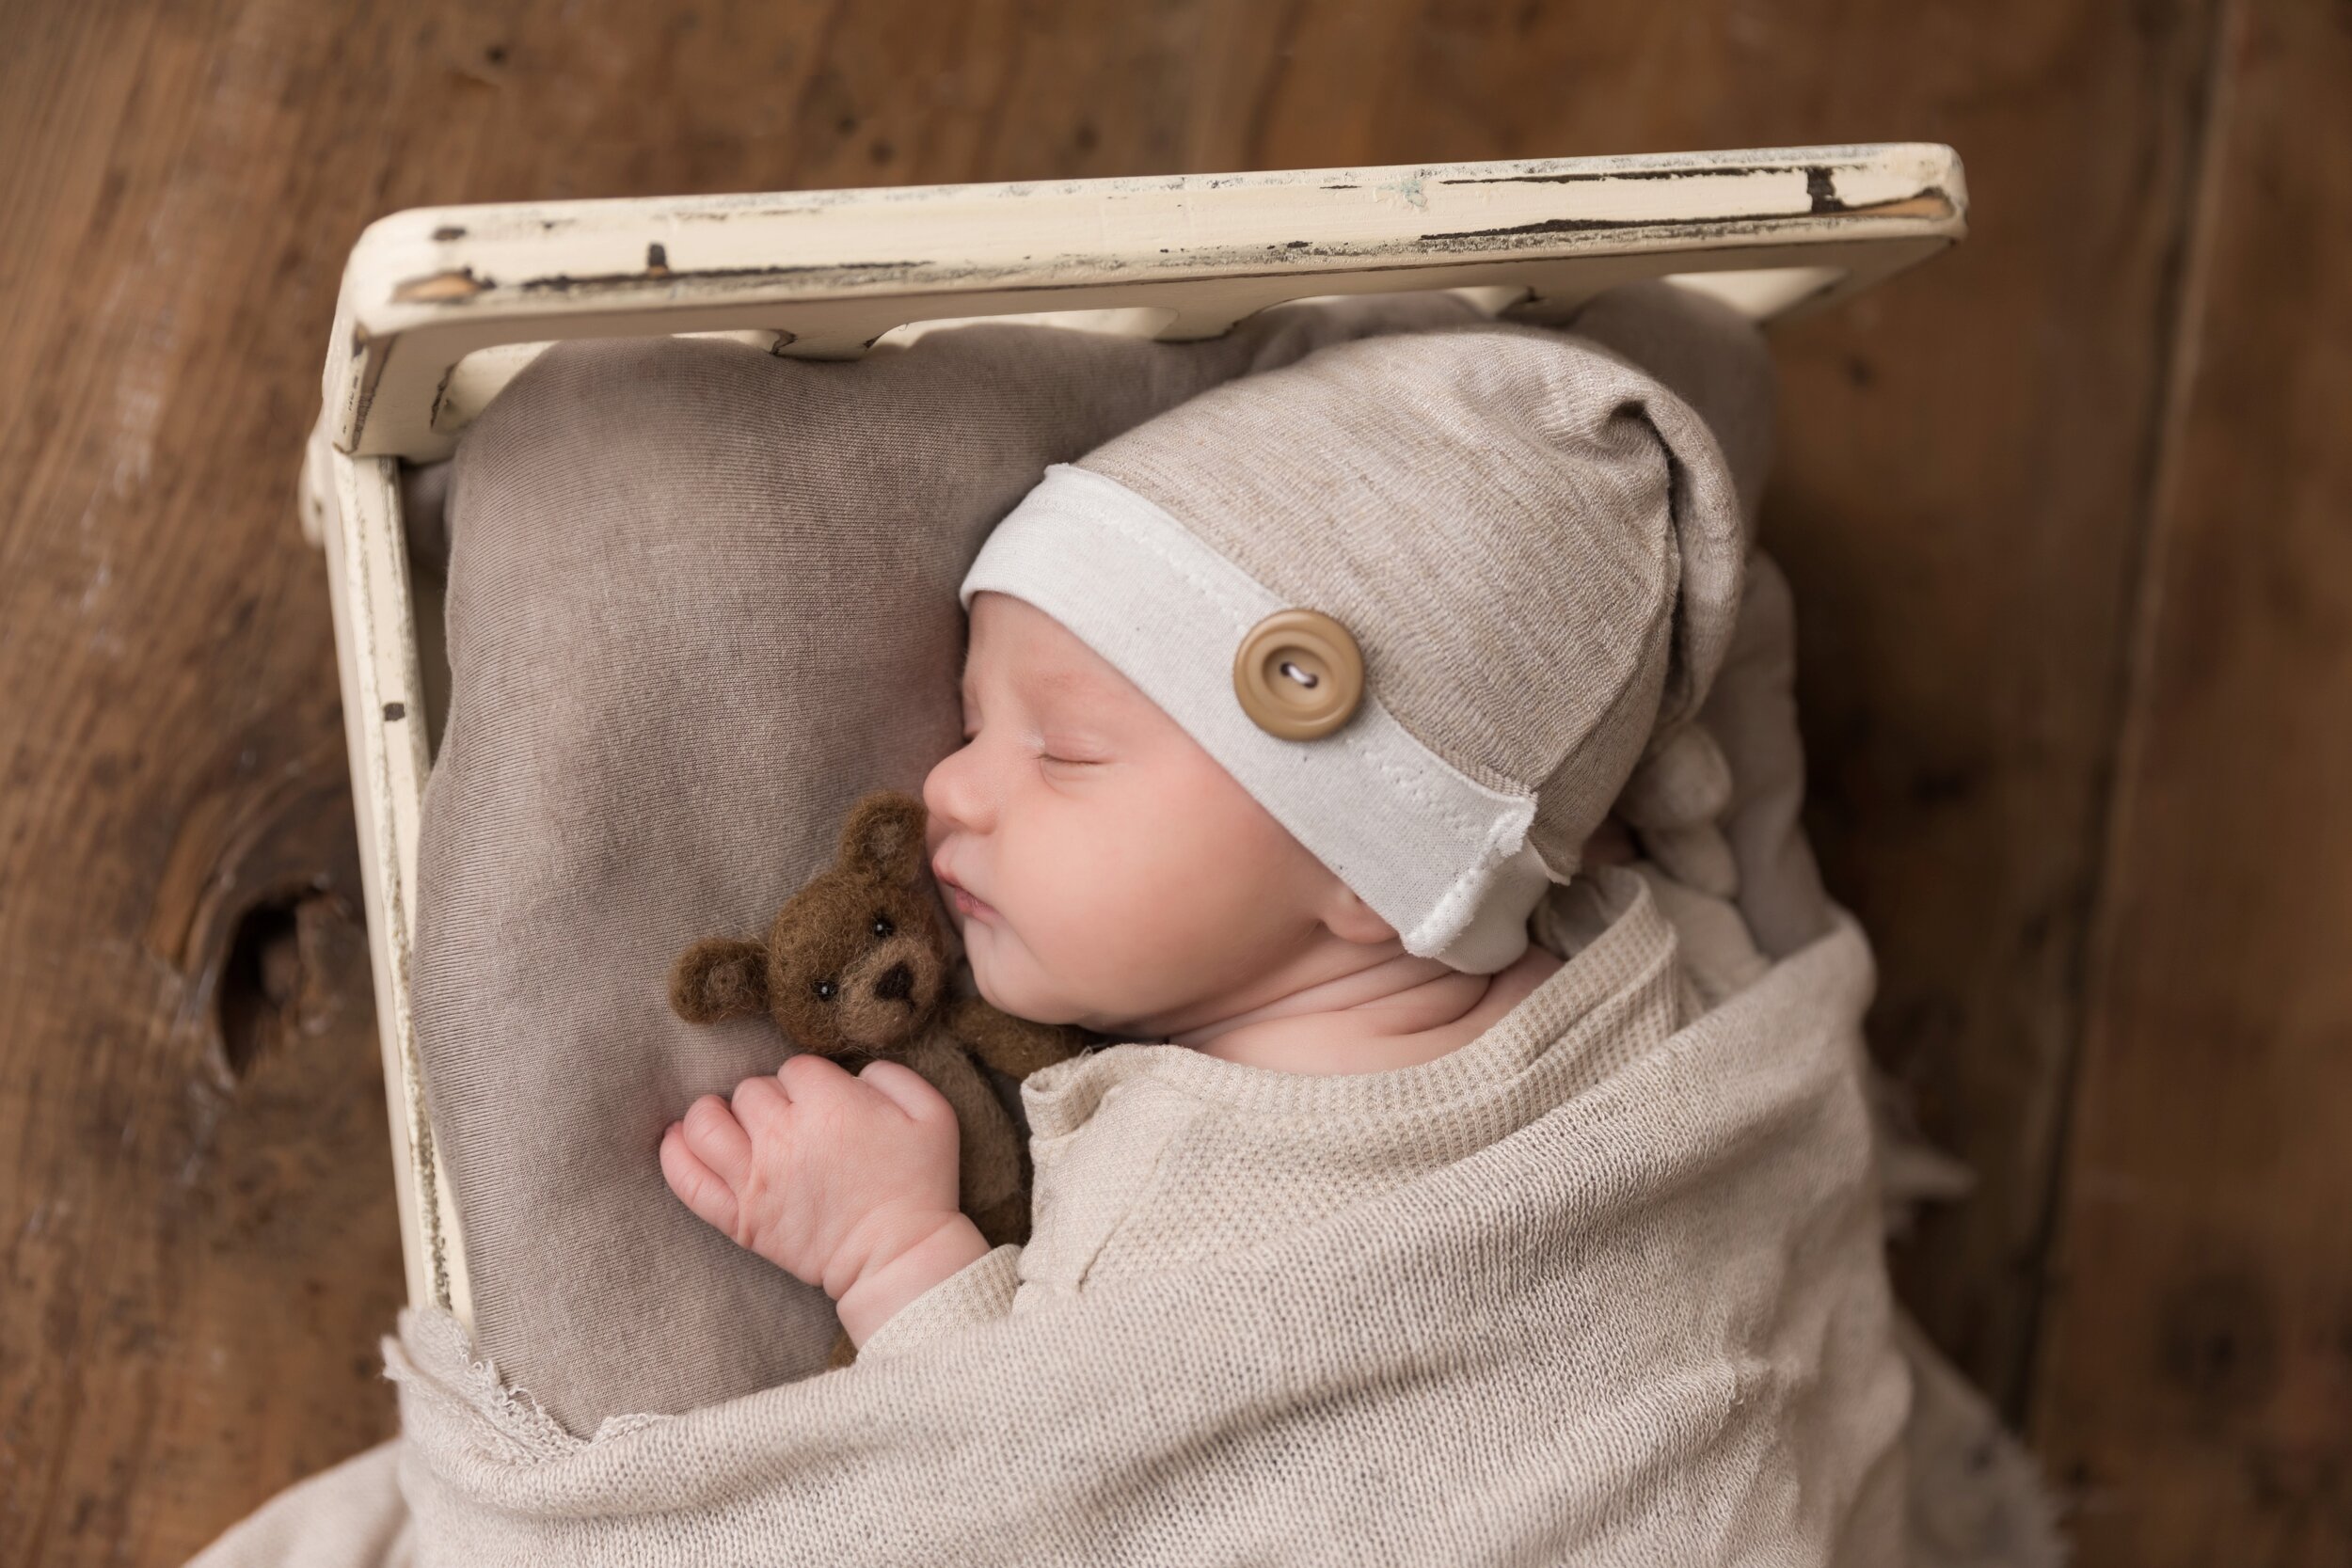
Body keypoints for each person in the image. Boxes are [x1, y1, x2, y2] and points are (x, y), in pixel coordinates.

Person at [656, 316, 1750, 1355]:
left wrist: (891, 1248)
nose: (948, 783)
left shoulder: (1202, 1196)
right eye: (976, 722)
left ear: (1368, 870)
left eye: (1065, 751)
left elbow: (1041, 1468)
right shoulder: (1655, 960)